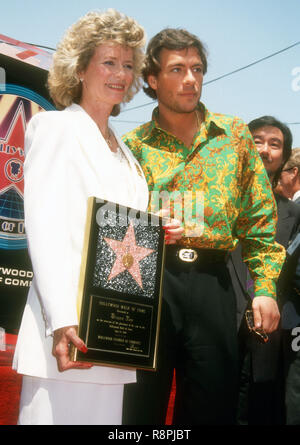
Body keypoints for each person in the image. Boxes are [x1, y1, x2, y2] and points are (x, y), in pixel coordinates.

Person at [12, 10, 182, 425]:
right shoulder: (55, 128)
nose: (120, 74)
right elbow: (45, 226)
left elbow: (111, 236)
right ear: (80, 68)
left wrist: (154, 231)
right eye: (109, 62)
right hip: (69, 337)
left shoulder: (126, 154)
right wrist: (62, 321)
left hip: (112, 338)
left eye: (128, 65)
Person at [122, 28, 285, 425]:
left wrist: (263, 289)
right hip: (148, 282)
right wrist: (145, 225)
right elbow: (114, 224)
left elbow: (260, 219)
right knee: (137, 409)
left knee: (212, 407)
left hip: (214, 284)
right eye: (177, 69)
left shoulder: (233, 137)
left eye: (197, 68)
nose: (191, 78)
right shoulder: (132, 146)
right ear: (152, 80)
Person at [227, 116, 300, 424]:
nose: (264, 149)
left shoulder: (293, 214)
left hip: (267, 338)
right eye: (256, 140)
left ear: (284, 157)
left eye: (275, 144)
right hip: (217, 329)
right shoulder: (217, 203)